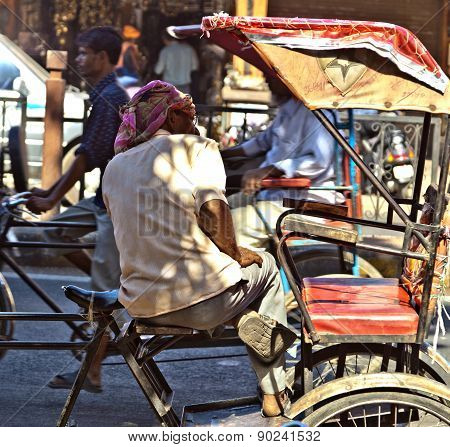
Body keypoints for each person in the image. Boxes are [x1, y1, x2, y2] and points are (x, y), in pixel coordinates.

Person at [103, 80, 297, 417]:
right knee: (265, 265)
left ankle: (246, 318)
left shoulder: (114, 166)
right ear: (171, 118)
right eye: (187, 115)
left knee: (227, 270)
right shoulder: (197, 148)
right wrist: (236, 253)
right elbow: (212, 211)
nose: (194, 121)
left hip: (141, 302)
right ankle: (274, 391)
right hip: (202, 301)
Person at [26, 26, 129, 391]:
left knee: (102, 297)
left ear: (102, 57)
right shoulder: (100, 93)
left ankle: (94, 371)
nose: (79, 59)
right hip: (103, 196)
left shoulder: (109, 96)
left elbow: (88, 155)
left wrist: (53, 197)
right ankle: (111, 285)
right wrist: (50, 190)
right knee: (55, 231)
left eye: (84, 53)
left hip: (116, 203)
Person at [222, 76, 342, 249]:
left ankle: (242, 274)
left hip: (305, 205)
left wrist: (271, 170)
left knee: (230, 228)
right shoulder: (289, 110)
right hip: (274, 197)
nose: (267, 81)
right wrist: (222, 153)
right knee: (217, 211)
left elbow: (318, 161)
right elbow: (262, 142)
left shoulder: (319, 112)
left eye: (272, 75)